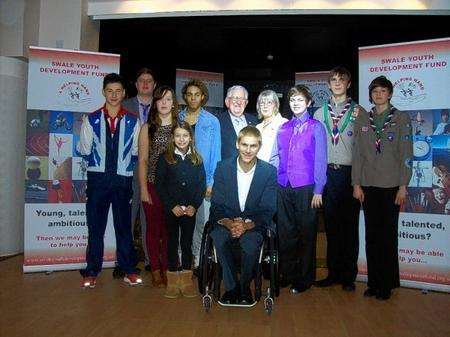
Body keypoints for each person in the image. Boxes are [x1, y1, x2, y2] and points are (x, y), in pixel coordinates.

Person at [78, 73, 142, 288]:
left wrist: (122, 169)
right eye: (109, 91)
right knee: (95, 228)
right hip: (98, 182)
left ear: (124, 93)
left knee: (124, 228)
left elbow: (135, 152)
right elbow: (84, 150)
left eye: (118, 91)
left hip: (123, 182)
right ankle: (91, 271)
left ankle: (128, 270)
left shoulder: (134, 121)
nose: (114, 95)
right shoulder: (91, 118)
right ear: (104, 92)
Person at [352, 76, 413, 300]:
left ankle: (386, 284)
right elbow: (357, 154)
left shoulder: (400, 117)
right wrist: (356, 184)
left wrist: (403, 186)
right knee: (371, 236)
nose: (379, 94)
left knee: (387, 236)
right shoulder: (363, 119)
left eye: (383, 91)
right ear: (371, 94)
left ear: (390, 93)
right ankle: (374, 282)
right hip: (368, 185)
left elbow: (406, 154)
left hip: (391, 186)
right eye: (375, 91)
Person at [209, 126, 277, 305]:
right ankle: (231, 288)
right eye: (244, 145)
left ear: (259, 147)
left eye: (253, 146)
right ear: (237, 144)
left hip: (253, 224)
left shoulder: (268, 172)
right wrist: (229, 223)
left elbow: (268, 209)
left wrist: (246, 225)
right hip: (226, 221)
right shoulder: (223, 167)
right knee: (218, 237)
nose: (248, 150)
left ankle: (245, 286)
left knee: (250, 243)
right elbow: (216, 204)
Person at [275, 85, 327, 294]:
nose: (295, 103)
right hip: (283, 185)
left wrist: (319, 190)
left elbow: (321, 160)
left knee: (306, 234)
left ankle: (304, 279)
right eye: (292, 100)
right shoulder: (284, 128)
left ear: (309, 102)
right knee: (285, 233)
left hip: (307, 188)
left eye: (299, 99)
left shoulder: (316, 127)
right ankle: (287, 274)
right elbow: (277, 157)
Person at [314, 67, 362, 291]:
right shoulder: (319, 113)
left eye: (341, 80)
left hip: (350, 173)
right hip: (326, 174)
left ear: (348, 84)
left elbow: (364, 151)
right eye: (333, 80)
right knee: (331, 226)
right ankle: (333, 273)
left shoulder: (359, 112)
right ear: (328, 84)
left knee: (349, 227)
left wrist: (358, 181)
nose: (337, 83)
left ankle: (348, 276)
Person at [155, 122, 206, 298]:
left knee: (186, 244)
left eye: (185, 135)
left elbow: (201, 186)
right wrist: (171, 206)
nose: (181, 139)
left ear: (190, 138)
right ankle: (172, 280)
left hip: (189, 211)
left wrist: (194, 205)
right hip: (172, 210)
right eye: (178, 135)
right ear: (172, 138)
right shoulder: (165, 158)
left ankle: (186, 279)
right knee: (171, 243)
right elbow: (159, 185)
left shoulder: (197, 159)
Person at [178, 79, 221, 270]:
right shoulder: (178, 118)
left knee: (201, 222)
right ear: (185, 96)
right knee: (181, 218)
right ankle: (181, 255)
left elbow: (216, 153)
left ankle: (197, 255)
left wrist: (211, 182)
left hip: (203, 179)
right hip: (179, 178)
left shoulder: (212, 121)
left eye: (197, 94)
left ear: (203, 96)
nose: (193, 97)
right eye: (190, 94)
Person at [138, 86, 178, 287]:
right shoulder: (147, 128)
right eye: (160, 99)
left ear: (173, 103)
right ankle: (155, 269)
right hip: (152, 186)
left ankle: (167, 268)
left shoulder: (181, 127)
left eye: (168, 99)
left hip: (174, 189)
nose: (164, 103)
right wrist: (144, 190)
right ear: (155, 103)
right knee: (153, 230)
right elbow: (143, 160)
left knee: (169, 231)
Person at [123, 68, 157, 270]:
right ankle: (124, 260)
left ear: (154, 85)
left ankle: (151, 260)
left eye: (149, 80)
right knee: (128, 215)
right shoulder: (125, 106)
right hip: (129, 168)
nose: (145, 83)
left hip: (153, 170)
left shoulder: (162, 106)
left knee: (149, 218)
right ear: (136, 85)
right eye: (141, 80)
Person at [216, 85, 258, 160]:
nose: (238, 102)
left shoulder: (255, 121)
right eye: (235, 98)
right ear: (227, 101)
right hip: (227, 169)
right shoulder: (217, 121)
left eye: (242, 99)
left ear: (246, 102)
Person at [255, 89, 287, 162]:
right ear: (259, 106)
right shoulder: (258, 127)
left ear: (275, 105)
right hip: (259, 168)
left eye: (269, 102)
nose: (265, 106)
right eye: (262, 103)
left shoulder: (283, 123)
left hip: (275, 169)